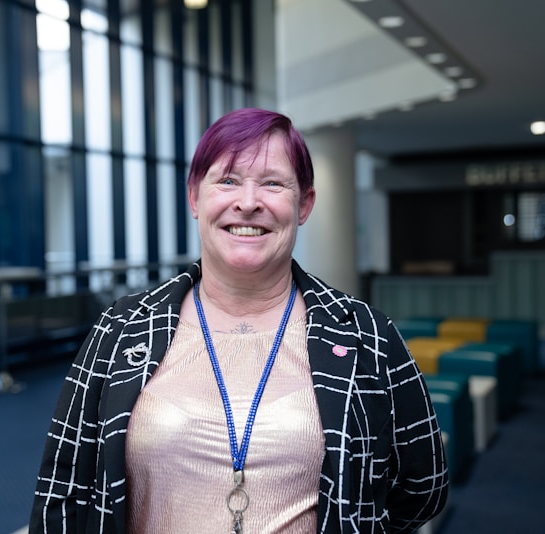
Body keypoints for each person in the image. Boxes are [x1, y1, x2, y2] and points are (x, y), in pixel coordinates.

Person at [30, 108, 448, 533]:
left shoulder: (365, 334)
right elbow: (63, 489)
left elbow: (422, 487)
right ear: (195, 197)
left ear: (303, 204)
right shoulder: (123, 328)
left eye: (272, 183)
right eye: (227, 180)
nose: (248, 203)